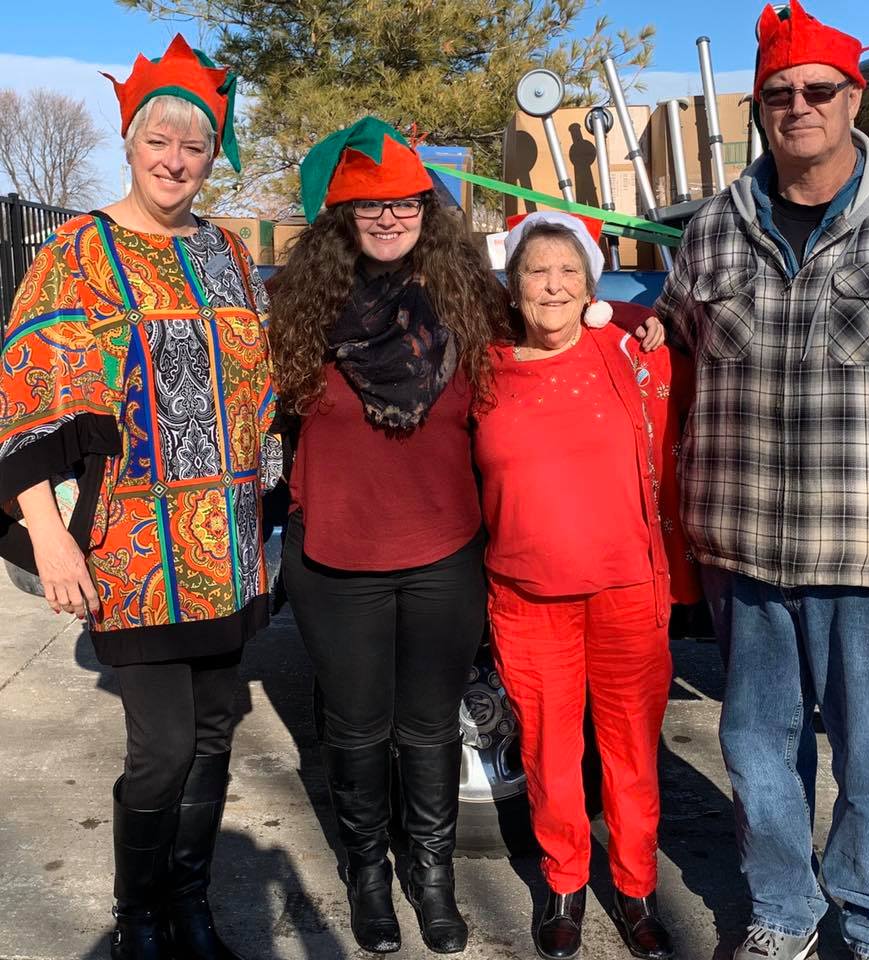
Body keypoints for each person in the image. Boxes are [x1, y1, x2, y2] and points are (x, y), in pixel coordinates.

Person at [0, 35, 279, 960]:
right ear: (130, 142)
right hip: (132, 551)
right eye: (158, 139)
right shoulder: (77, 254)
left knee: (212, 735)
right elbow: (25, 402)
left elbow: (264, 394)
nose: (174, 160)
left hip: (228, 554)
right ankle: (138, 917)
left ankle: (190, 907)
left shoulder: (231, 254)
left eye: (194, 146)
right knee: (161, 749)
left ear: (211, 158)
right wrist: (47, 537)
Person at [654, 3, 869, 959]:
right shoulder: (714, 229)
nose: (798, 107)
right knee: (758, 751)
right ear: (758, 108)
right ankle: (785, 912)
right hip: (745, 547)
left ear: (855, 100)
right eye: (779, 94)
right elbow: (675, 351)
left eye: (818, 90)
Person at [267, 116, 508, 955]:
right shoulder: (298, 308)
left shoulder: (470, 299)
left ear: (426, 207)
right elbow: (252, 419)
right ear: (342, 217)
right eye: (368, 205)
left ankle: (431, 875)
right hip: (336, 554)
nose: (389, 216)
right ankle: (370, 873)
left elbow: (556, 337)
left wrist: (627, 322)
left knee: (430, 725)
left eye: (404, 201)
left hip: (444, 551)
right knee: (357, 729)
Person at [473, 211, 696, 960]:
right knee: (549, 752)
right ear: (514, 284)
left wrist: (646, 318)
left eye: (569, 271)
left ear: (591, 285)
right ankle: (564, 882)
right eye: (537, 270)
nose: (554, 284)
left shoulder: (629, 349)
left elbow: (695, 338)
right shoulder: (484, 367)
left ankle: (635, 890)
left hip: (627, 588)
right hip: (526, 596)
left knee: (631, 754)